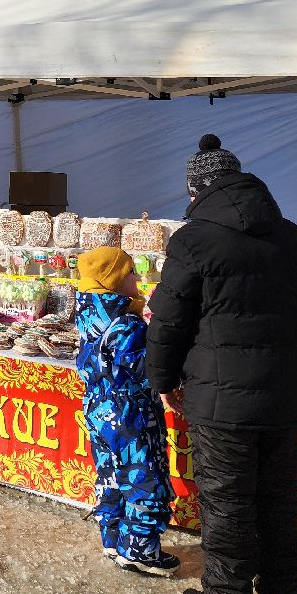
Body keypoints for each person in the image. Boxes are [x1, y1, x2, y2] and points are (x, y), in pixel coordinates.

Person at [146, 134, 297, 594]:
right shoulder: (290, 234)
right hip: (285, 394)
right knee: (277, 497)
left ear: (197, 189)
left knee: (227, 501)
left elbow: (168, 321)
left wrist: (162, 377)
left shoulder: (193, 239)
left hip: (221, 400)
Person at [74, 246, 177, 576]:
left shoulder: (88, 314)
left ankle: (113, 537)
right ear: (113, 280)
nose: (137, 278)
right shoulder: (128, 325)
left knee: (110, 475)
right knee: (145, 477)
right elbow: (142, 371)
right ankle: (140, 550)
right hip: (129, 416)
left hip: (98, 410)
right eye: (131, 272)